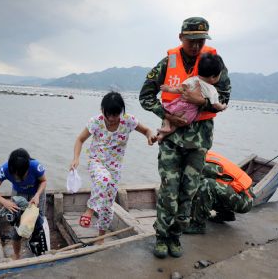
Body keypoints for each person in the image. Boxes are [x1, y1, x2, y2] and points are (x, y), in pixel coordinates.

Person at [139, 17, 231, 258]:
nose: (196, 46)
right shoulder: (167, 63)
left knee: (188, 192)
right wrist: (166, 113)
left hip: (199, 142)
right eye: (191, 40)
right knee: (169, 190)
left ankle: (176, 237)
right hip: (171, 138)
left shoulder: (214, 63)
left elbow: (225, 99)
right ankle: (161, 236)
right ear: (181, 38)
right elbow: (146, 96)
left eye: (201, 41)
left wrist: (201, 103)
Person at [70, 91, 157, 242]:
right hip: (96, 162)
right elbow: (80, 139)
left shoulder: (128, 121)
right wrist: (76, 158)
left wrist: (150, 136)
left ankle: (101, 237)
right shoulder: (96, 121)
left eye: (115, 115)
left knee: (107, 205)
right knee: (103, 179)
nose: (111, 119)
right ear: (102, 110)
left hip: (114, 168)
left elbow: (147, 130)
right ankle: (89, 209)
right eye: (107, 114)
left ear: (121, 112)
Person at [0, 148, 47, 260]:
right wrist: (5, 202)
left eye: (22, 175)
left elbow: (44, 181)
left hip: (36, 194)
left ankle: (37, 247)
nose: (19, 179)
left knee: (38, 223)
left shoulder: (35, 166)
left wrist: (37, 195)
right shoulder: (4, 169)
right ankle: (17, 255)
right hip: (19, 194)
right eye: (15, 176)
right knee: (16, 228)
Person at [157, 53, 227, 142]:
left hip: (179, 105)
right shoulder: (211, 89)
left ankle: (164, 130)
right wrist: (223, 106)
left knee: (167, 113)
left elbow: (179, 89)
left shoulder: (191, 80)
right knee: (177, 125)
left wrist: (168, 89)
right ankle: (165, 133)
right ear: (213, 77)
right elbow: (216, 105)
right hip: (190, 113)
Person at [185, 150, 254, 234]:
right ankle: (222, 214)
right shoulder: (200, 155)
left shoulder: (200, 165)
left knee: (205, 185)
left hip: (244, 200)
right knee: (205, 186)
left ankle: (197, 225)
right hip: (236, 193)